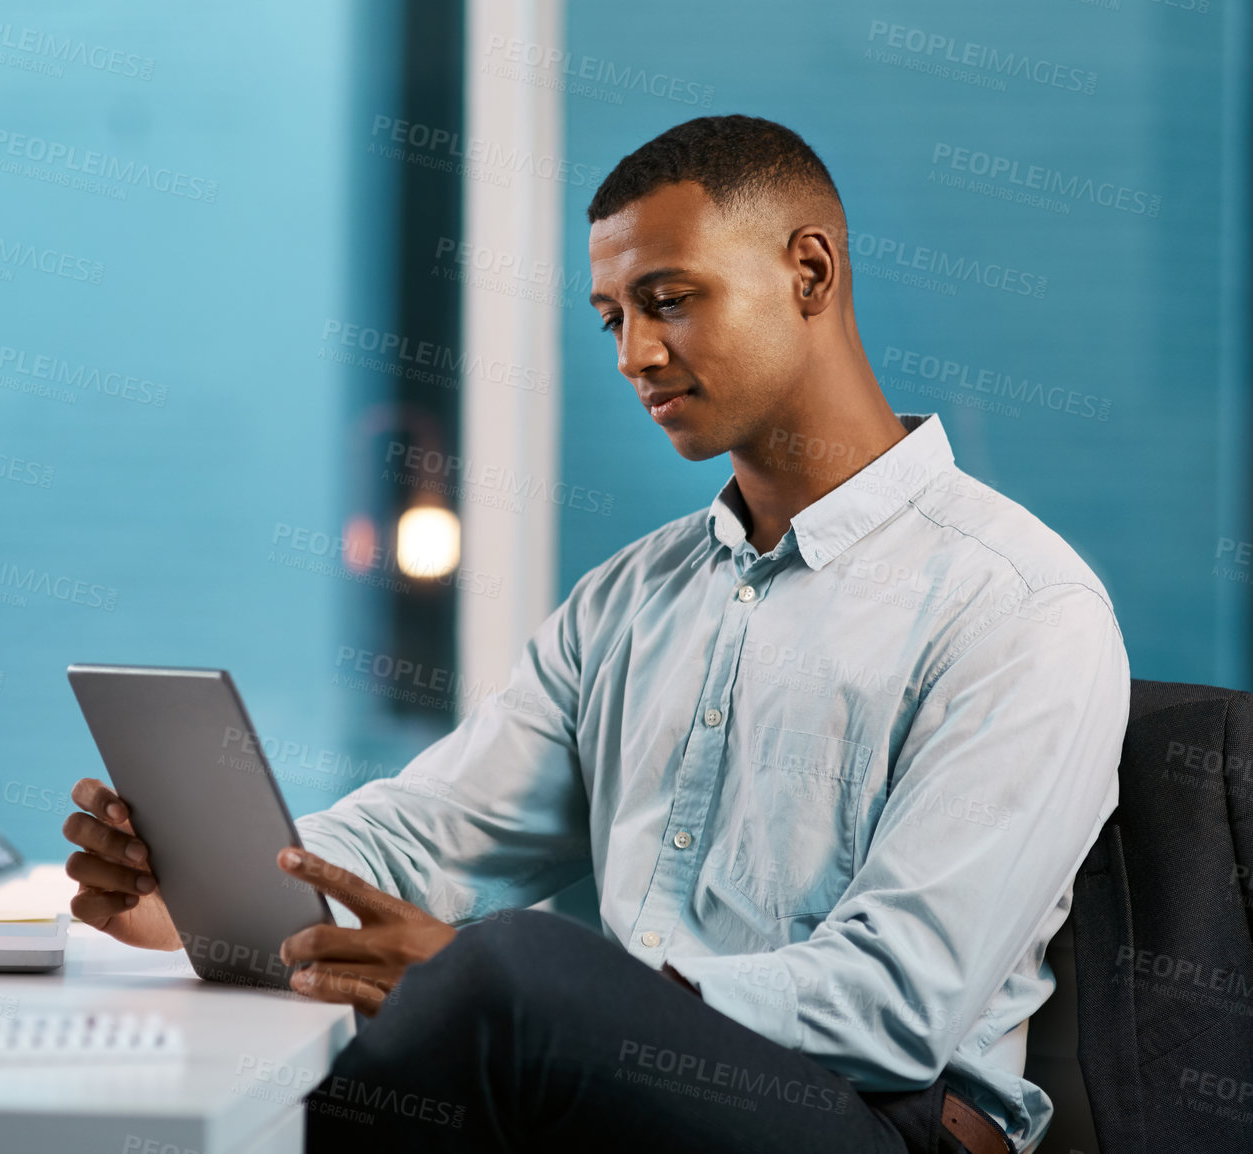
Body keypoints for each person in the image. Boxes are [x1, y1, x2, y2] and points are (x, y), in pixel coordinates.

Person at [61, 114, 1129, 1154]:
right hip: (614, 1091)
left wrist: (538, 998)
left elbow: (895, 1001)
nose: (632, 353)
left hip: (881, 1115)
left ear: (809, 272)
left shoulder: (1018, 605)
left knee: (512, 966)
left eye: (667, 301)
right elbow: (430, 831)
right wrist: (216, 891)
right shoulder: (629, 597)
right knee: (459, 998)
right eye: (611, 317)